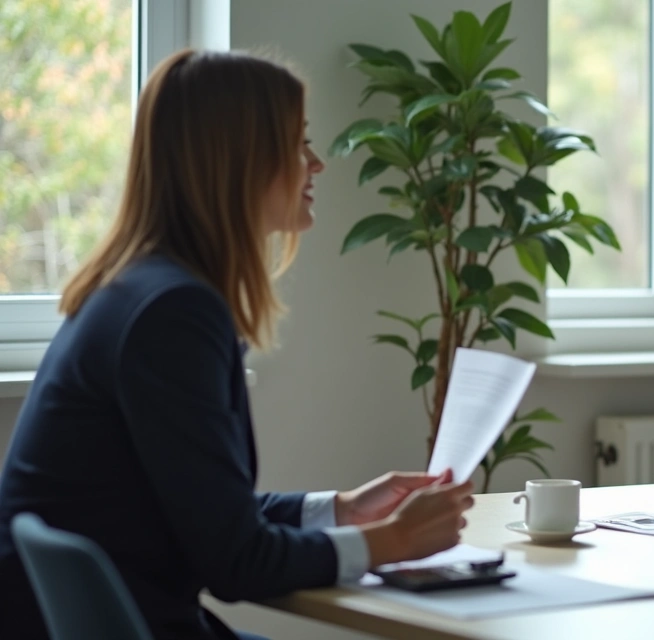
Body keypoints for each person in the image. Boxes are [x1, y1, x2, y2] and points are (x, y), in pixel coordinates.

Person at [0, 50, 474, 640]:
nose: (316, 163)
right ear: (242, 161)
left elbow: (206, 515)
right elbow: (236, 562)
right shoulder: (173, 313)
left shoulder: (137, 289)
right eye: (298, 143)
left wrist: (340, 509)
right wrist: (393, 539)